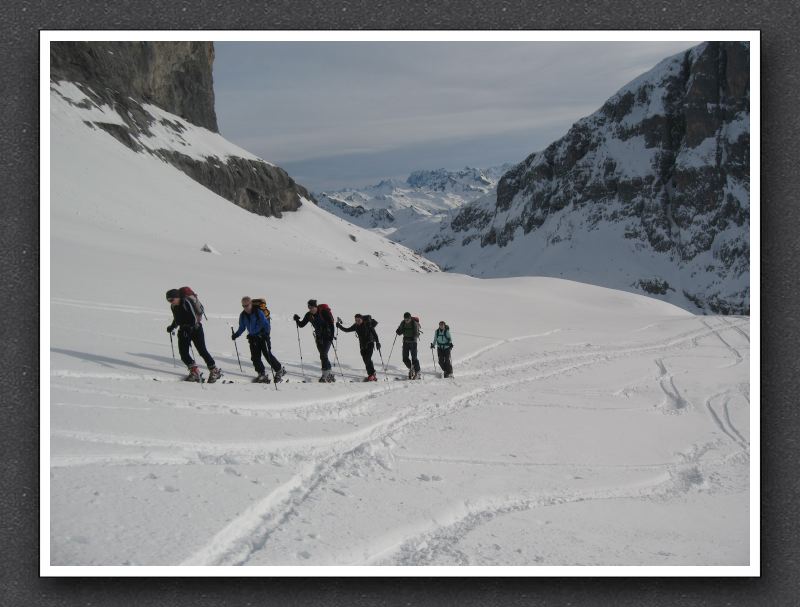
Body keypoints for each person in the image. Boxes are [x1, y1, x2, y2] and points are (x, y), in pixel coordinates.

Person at [165, 288, 222, 383]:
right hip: (183, 330)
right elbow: (177, 318)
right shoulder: (173, 306)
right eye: (168, 300)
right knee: (183, 353)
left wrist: (188, 328)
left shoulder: (186, 302)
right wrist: (172, 326)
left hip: (196, 329)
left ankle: (215, 370)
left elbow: (193, 318)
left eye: (171, 299)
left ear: (178, 297)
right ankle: (195, 372)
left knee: (202, 351)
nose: (170, 302)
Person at [232, 296, 287, 383]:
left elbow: (266, 324)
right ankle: (261, 373)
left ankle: (280, 370)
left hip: (263, 337)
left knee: (267, 355)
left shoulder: (258, 312)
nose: (245, 307)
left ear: (251, 304)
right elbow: (242, 327)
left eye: (247, 305)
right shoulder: (242, 315)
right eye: (243, 306)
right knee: (255, 357)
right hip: (252, 338)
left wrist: (266, 335)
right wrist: (236, 334)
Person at [294, 299, 336, 382]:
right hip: (318, 337)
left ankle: (326, 374)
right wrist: (297, 319)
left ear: (316, 306)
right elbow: (302, 325)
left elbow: (331, 324)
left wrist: (331, 336)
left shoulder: (324, 312)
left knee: (324, 354)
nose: (311, 309)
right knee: (322, 355)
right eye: (309, 308)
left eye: (312, 307)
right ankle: (328, 373)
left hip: (327, 336)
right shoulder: (309, 315)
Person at [337, 313, 381, 381]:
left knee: (367, 359)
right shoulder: (356, 326)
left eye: (359, 320)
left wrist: (378, 342)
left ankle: (371, 375)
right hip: (362, 345)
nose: (357, 321)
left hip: (370, 344)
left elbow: (374, 334)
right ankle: (372, 373)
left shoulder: (368, 324)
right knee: (366, 360)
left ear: (362, 319)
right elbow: (347, 330)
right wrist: (340, 326)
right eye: (356, 320)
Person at [396, 312, 421, 379]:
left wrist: (413, 337)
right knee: (404, 358)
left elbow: (416, 333)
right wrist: (398, 331)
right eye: (405, 319)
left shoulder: (414, 323)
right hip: (405, 342)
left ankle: (418, 371)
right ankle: (411, 368)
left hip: (413, 342)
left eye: (407, 319)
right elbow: (401, 331)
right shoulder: (403, 323)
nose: (406, 321)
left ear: (410, 318)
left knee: (414, 358)